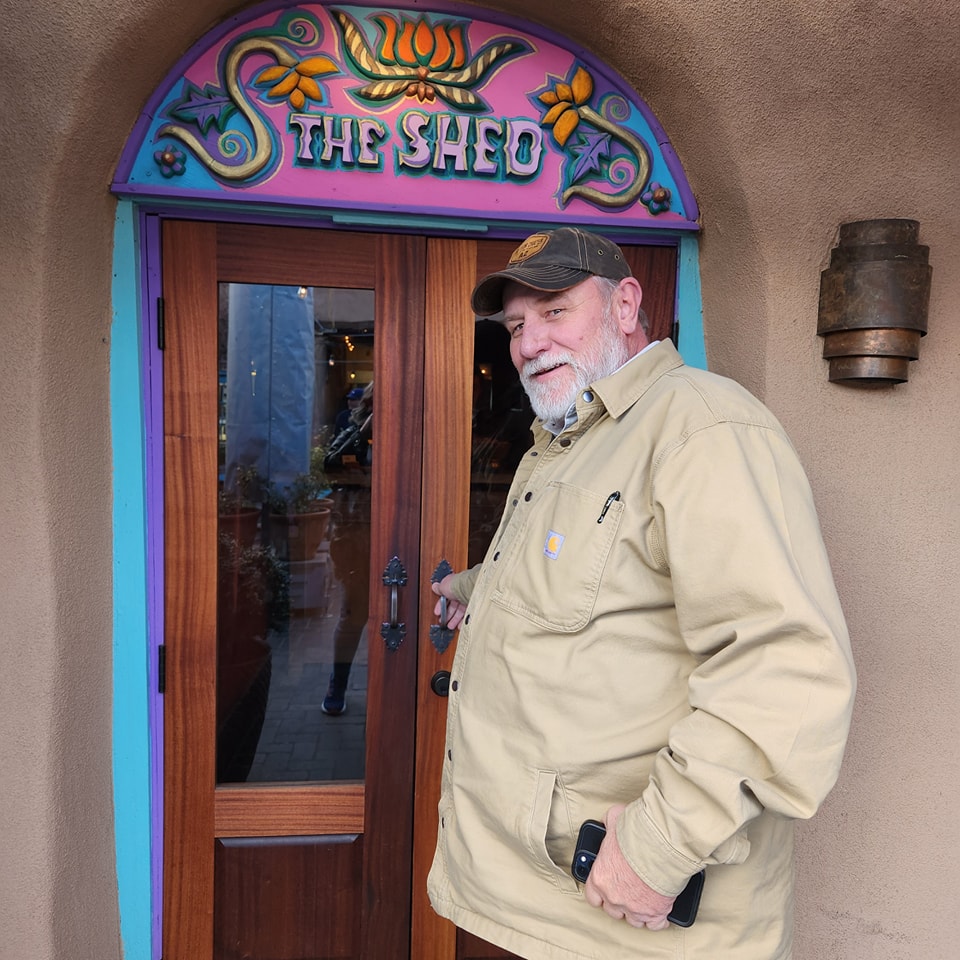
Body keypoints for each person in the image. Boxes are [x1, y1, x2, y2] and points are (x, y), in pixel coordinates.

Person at [427, 227, 856, 959]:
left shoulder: (702, 429)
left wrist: (657, 851)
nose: (529, 342)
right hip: (533, 900)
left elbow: (787, 669)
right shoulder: (565, 441)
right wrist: (469, 589)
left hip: (623, 918)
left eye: (554, 311)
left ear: (626, 304)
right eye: (516, 325)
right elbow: (572, 575)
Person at [322, 382, 373, 716]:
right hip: (356, 530)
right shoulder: (357, 425)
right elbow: (330, 463)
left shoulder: (415, 423)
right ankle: (337, 684)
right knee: (353, 614)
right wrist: (368, 423)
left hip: (397, 530)